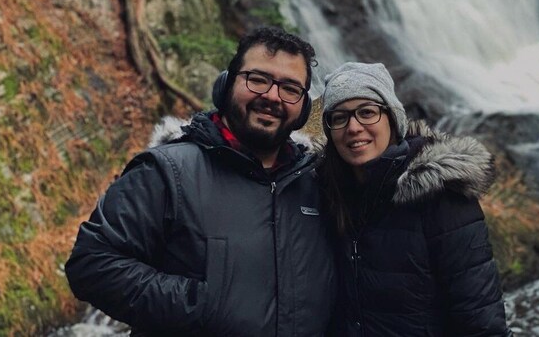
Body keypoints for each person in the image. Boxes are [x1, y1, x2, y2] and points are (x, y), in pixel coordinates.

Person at [65, 27, 336, 336]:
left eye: (290, 88)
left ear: (303, 107)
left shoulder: (316, 182)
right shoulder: (167, 172)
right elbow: (92, 264)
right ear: (228, 84)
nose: (272, 96)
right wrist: (202, 305)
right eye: (258, 79)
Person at [319, 62, 508, 336]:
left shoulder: (441, 195)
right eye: (339, 117)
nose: (354, 127)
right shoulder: (326, 193)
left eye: (367, 112)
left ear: (392, 119)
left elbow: (481, 320)